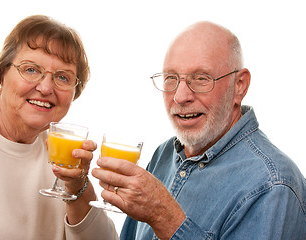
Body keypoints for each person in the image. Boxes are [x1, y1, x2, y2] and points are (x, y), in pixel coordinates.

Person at [89, 21, 306, 239]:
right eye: (171, 78)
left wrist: (164, 217)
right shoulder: (165, 153)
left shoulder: (273, 184)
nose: (180, 96)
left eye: (201, 78)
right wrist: (78, 190)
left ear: (239, 85)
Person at [0, 15, 116, 239]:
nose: (46, 88)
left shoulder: (62, 152)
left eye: (63, 77)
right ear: (2, 73)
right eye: (31, 70)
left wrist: (78, 187)